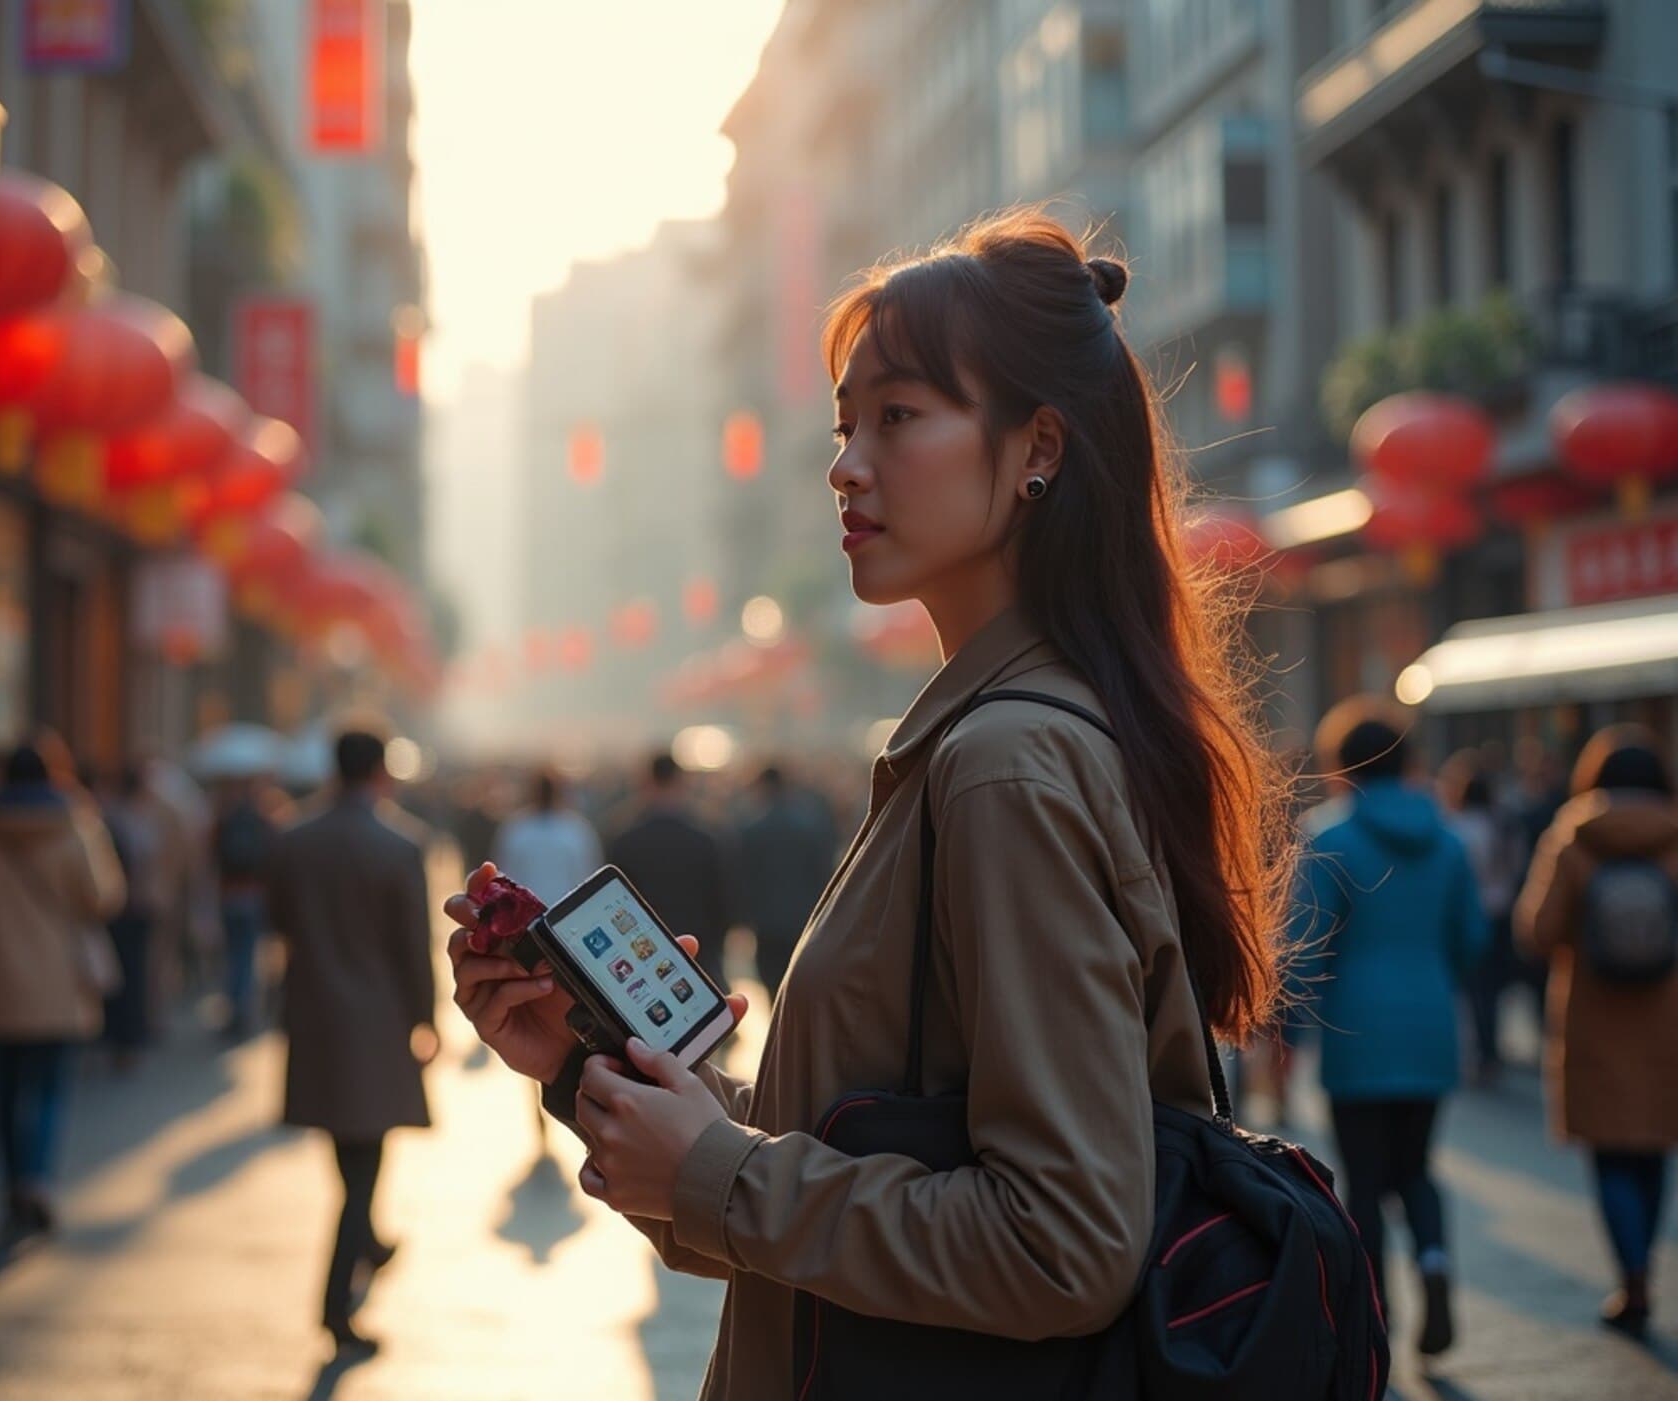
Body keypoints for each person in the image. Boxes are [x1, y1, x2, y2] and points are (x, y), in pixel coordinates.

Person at [444, 211, 1295, 1399]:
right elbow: (847, 1180)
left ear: (1037, 446)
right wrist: (586, 1064)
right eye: (845, 425)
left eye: (898, 417)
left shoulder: (1003, 764)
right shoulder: (984, 739)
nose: (845, 465)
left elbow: (1062, 1243)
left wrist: (721, 1174)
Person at [1290, 697, 1490, 1355]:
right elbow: (1472, 939)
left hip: (1356, 1032)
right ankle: (1434, 1262)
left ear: (1341, 765)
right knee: (1418, 1169)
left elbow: (1306, 945)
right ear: (1407, 762)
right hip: (1430, 1024)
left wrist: (1287, 1026)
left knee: (1366, 1182)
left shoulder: (1329, 837)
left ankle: (1376, 1318)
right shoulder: (1448, 840)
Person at [265, 731, 436, 1358]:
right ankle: (337, 1303)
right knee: (364, 1161)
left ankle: (368, 1244)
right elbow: (413, 944)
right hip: (378, 1019)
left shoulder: (295, 839)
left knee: (348, 1146)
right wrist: (426, 1018)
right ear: (381, 772)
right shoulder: (399, 845)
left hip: (315, 1012)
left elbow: (277, 920)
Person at [1514, 725, 1678, 1340]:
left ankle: (1631, 1278)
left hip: (1594, 1018)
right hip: (1667, 1019)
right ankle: (1644, 1269)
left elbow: (1537, 930)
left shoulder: (1572, 836)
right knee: (1653, 1149)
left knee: (1610, 1154)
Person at [0, 741, 125, 1235]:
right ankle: (37, 1179)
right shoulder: (76, 825)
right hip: (59, 983)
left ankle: (13, 1183)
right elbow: (105, 897)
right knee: (49, 1088)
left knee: (4, 1093)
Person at [605, 753, 736, 989]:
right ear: (681, 782)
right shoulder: (706, 838)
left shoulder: (624, 840)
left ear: (646, 783)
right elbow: (723, 901)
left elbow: (614, 905)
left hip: (646, 953)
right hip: (700, 949)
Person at [1438, 750, 1521, 1080]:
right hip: (1501, 910)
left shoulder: (1458, 829)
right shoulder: (1502, 825)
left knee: (1472, 990)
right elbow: (1515, 867)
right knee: (1492, 989)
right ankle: (1491, 1050)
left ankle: (1478, 1052)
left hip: (1473, 912)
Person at [735, 764, 839, 1003]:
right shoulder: (811, 826)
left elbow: (744, 879)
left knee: (772, 985)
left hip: (767, 923)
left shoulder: (752, 829)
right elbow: (824, 873)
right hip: (804, 918)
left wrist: (744, 917)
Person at [92, 763, 163, 1070]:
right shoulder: (132, 820)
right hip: (131, 908)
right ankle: (127, 1039)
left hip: (125, 909)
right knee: (130, 977)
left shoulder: (113, 818)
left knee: (128, 977)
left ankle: (123, 1039)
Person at [211, 776, 278, 1039]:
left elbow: (213, 858)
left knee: (234, 956)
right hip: (253, 895)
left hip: (229, 895)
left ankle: (236, 1007)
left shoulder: (225, 820)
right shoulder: (263, 822)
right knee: (247, 956)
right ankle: (244, 1010)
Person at [490, 767, 603, 905]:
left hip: (528, 910)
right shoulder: (576, 829)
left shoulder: (516, 829)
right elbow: (587, 873)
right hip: (566, 909)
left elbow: (507, 873)